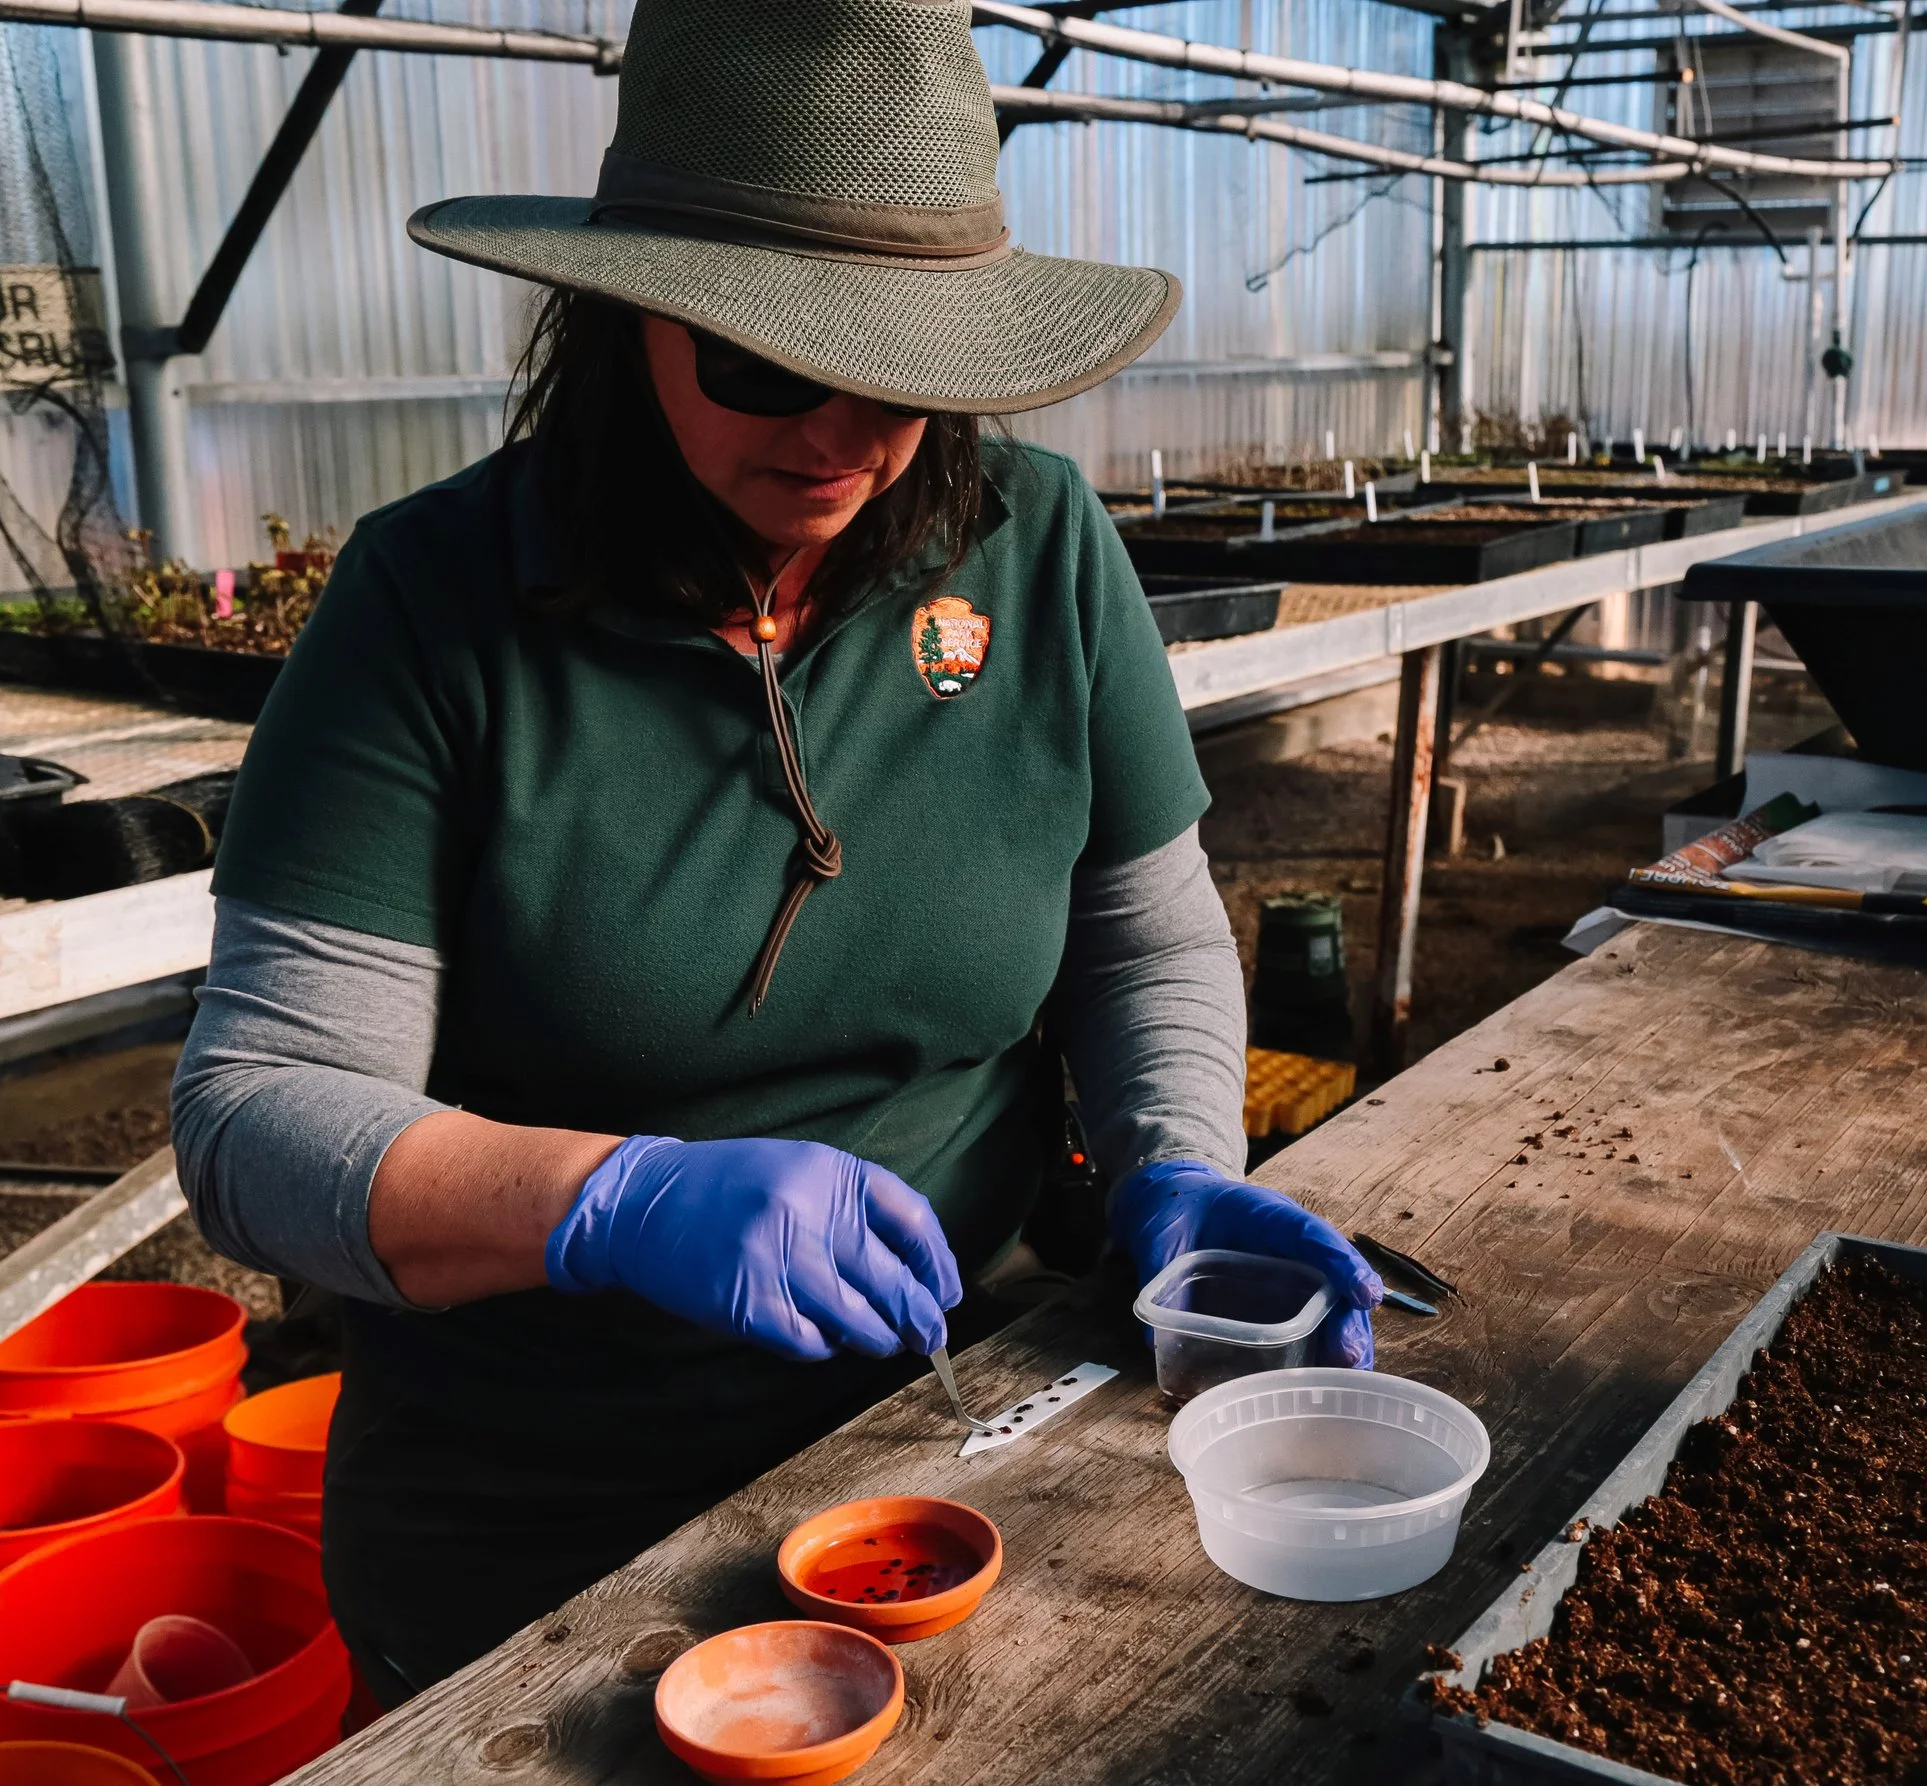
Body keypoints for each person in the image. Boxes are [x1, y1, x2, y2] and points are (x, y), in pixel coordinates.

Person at [170, 0, 1382, 1706]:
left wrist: (1172, 1167)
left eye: (902, 376)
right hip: (542, 1531)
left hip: (952, 1446)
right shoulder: (430, 609)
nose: (838, 435)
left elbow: (1145, 942)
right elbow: (257, 1115)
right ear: (633, 315)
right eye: (763, 359)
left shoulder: (1033, 553)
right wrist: (611, 1198)